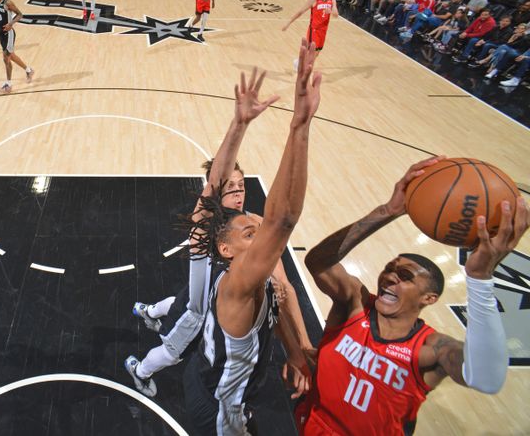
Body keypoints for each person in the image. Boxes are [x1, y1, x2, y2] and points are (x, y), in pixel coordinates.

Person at [295, 157, 527, 435]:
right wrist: (388, 211)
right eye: (390, 269)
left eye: (405, 277)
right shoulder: (355, 305)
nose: (391, 276)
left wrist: (480, 278)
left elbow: (487, 379)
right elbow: (319, 262)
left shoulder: (431, 348)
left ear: (429, 298)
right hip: (307, 425)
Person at [184, 39, 322, 435]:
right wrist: (247, 125)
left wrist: (297, 351)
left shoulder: (249, 236)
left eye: (243, 185)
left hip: (220, 353)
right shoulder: (206, 233)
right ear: (225, 248)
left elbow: (282, 293)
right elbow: (221, 187)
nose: (238, 190)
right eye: (233, 185)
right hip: (214, 375)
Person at [128, 155, 313, 397]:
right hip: (199, 309)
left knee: (178, 300)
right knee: (172, 353)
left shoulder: (256, 224)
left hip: (223, 311)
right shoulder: (208, 227)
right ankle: (139, 370)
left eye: (241, 187)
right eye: (230, 189)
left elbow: (284, 286)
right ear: (216, 192)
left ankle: (149, 311)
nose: (238, 194)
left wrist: (305, 343)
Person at [282, 0, 338, 68]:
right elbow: (300, 12)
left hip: (323, 31)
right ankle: (303, 68)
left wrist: (330, 11)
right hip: (314, 29)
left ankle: (299, 62)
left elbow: (336, 15)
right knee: (312, 52)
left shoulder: (332, 0)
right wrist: (288, 23)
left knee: (317, 53)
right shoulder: (314, 0)